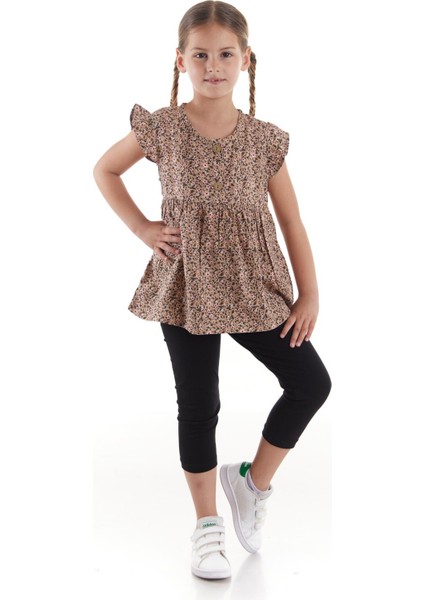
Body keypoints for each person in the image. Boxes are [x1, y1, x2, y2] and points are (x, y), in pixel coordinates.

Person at [93, 0, 331, 581]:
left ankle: (252, 484)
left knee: (310, 383)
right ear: (181, 61)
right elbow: (105, 170)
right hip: (185, 284)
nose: (213, 66)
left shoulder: (263, 141)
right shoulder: (163, 128)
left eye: (226, 54)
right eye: (200, 55)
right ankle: (206, 527)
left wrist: (309, 295)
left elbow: (292, 219)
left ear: (245, 59)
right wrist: (144, 228)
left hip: (254, 284)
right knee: (200, 405)